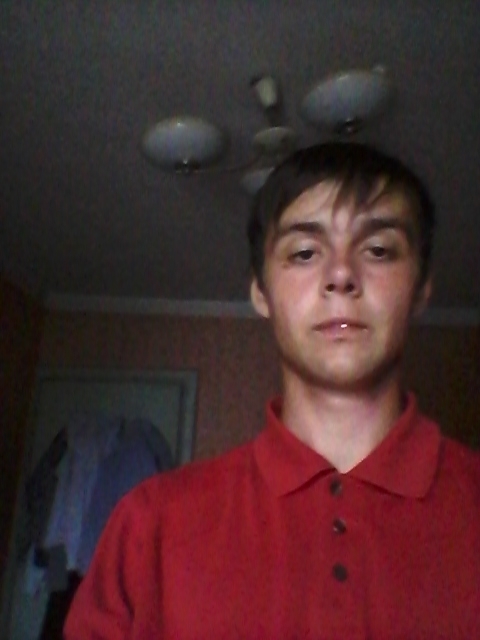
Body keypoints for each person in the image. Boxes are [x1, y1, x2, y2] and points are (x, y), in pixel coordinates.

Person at [64, 143, 480, 639]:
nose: (341, 275)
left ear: (421, 288)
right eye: (304, 253)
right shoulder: (149, 523)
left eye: (378, 250)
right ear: (260, 292)